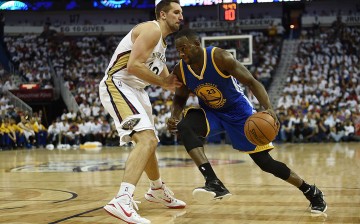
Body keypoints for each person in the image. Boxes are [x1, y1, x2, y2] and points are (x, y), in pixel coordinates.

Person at [167, 28, 327, 213]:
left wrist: (269, 109)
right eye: (178, 49)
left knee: (265, 163)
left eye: (184, 48)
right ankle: (213, 182)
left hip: (239, 114)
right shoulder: (180, 69)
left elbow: (252, 82)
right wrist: (174, 115)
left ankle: (311, 191)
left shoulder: (220, 57)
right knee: (186, 126)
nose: (181, 53)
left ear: (197, 44)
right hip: (211, 112)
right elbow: (179, 98)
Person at [98, 1, 185, 223]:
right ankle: (122, 199)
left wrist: (183, 84)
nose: (180, 16)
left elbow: (167, 78)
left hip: (137, 90)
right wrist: (164, 83)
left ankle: (156, 189)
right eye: (176, 12)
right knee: (146, 140)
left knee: (150, 142)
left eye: (181, 12)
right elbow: (134, 66)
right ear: (163, 14)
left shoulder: (162, 43)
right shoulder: (152, 29)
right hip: (118, 84)